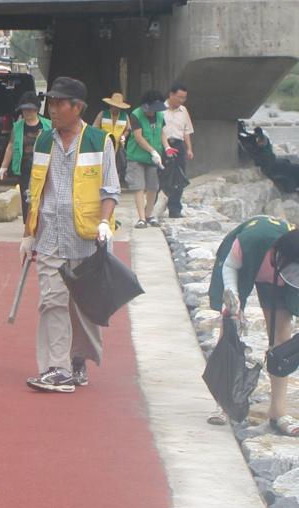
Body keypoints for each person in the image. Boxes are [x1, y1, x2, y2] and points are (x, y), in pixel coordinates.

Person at [20, 77, 121, 393]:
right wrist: (28, 234)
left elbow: (110, 188)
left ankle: (77, 361)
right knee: (52, 301)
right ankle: (57, 368)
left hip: (87, 238)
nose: (52, 109)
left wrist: (104, 223)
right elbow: (35, 191)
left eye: (58, 103)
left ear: (77, 107)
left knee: (82, 307)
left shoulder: (99, 141)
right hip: (50, 235)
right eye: (50, 102)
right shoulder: (42, 142)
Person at [208, 216, 299, 434]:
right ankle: (223, 404)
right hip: (242, 266)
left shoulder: (295, 253)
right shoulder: (250, 241)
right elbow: (230, 265)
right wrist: (233, 295)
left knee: (282, 338)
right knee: (228, 331)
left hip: (278, 281)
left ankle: (278, 412)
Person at [0, 91, 51, 222]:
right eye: (24, 110)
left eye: (30, 109)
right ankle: (28, 225)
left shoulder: (49, 125)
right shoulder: (17, 127)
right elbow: (10, 146)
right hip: (25, 167)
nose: (27, 112)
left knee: (44, 196)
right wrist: (3, 167)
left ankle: (42, 223)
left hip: (44, 167)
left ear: (37, 109)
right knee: (27, 197)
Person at [126, 91, 168, 229]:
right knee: (139, 186)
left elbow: (162, 132)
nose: (152, 113)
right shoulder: (136, 114)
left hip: (153, 158)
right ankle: (141, 218)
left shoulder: (160, 115)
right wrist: (152, 151)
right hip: (136, 157)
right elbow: (138, 137)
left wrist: (166, 147)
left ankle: (149, 214)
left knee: (153, 187)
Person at [161, 84, 194, 218]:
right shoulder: (160, 110)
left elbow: (187, 131)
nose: (181, 100)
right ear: (171, 95)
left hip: (178, 145)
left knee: (180, 177)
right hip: (164, 144)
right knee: (163, 175)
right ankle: (157, 206)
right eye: (179, 97)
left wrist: (189, 149)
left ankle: (175, 209)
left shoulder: (184, 110)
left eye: (184, 98)